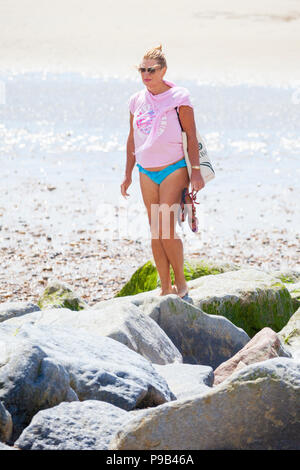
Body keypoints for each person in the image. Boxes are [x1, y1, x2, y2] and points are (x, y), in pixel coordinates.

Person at [120, 44, 205, 298]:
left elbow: (191, 136)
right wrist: (127, 174)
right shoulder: (136, 100)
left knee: (166, 227)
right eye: (142, 70)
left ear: (163, 70)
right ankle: (164, 286)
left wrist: (197, 171)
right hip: (146, 171)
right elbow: (131, 138)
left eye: (151, 70)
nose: (146, 74)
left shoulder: (179, 97)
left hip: (173, 168)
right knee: (155, 230)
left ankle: (181, 284)